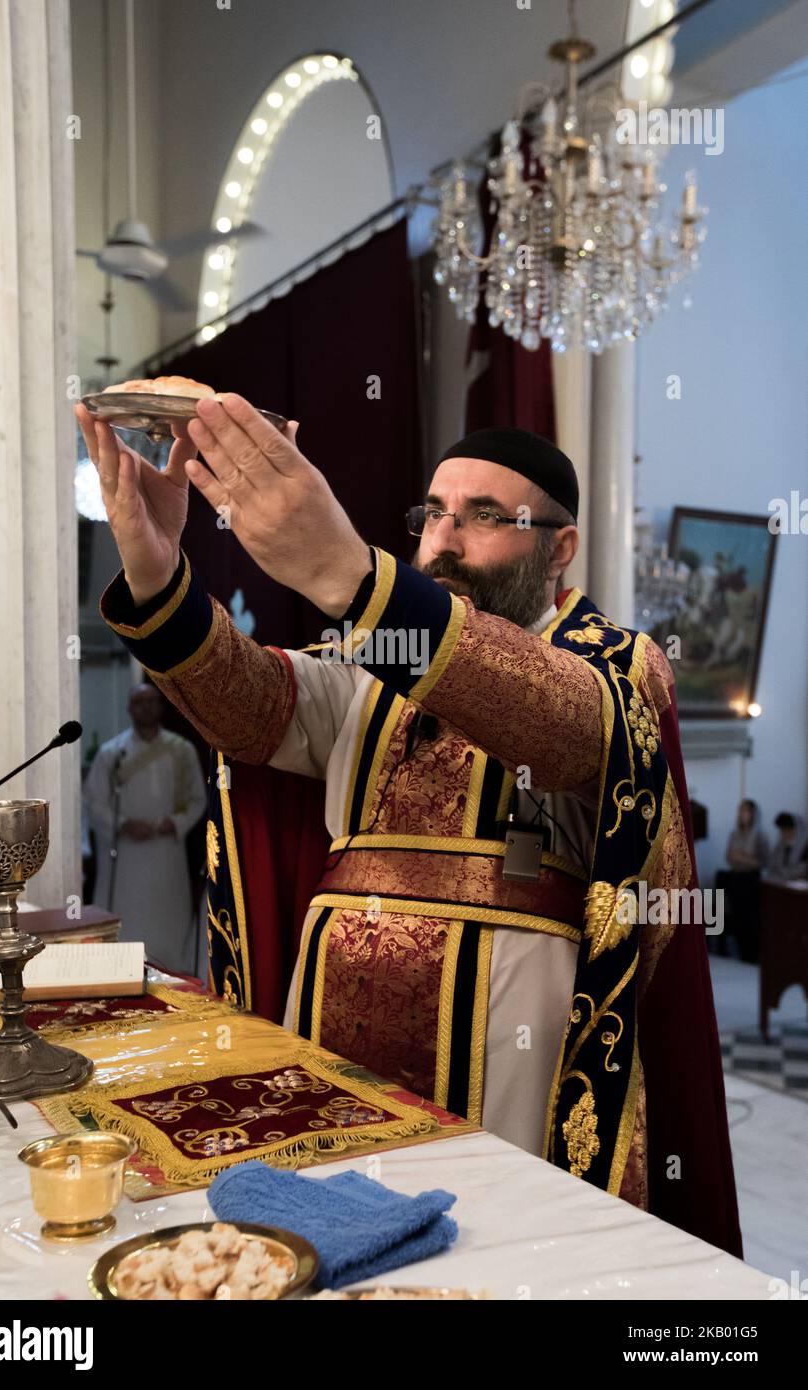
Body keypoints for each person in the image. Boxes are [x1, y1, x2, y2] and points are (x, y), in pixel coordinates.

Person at [75, 392, 742, 1258]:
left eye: (486, 517)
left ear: (560, 546)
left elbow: (567, 725)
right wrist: (159, 574)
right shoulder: (373, 657)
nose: (445, 538)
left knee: (492, 1254)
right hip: (329, 1027)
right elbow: (251, 708)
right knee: (329, 1244)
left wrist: (350, 576)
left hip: (510, 1043)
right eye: (433, 513)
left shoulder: (616, 664)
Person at [83, 683, 206, 974]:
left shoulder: (182, 751)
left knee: (167, 915)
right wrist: (124, 824)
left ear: (161, 707)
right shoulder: (111, 753)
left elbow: (198, 799)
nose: (146, 707)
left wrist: (175, 823)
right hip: (126, 855)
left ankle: (172, 971)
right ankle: (121, 970)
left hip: (166, 851)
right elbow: (95, 801)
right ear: (129, 707)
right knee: (129, 915)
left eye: (152, 701)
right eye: (139, 702)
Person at [714, 798, 768, 961]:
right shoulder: (734, 834)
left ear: (752, 814)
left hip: (751, 880)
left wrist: (741, 858)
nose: (742, 814)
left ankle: (752, 954)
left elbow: (763, 861)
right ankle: (740, 952)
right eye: (741, 810)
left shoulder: (759, 835)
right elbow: (729, 857)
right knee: (736, 916)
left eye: (746, 810)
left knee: (750, 918)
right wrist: (742, 858)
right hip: (736, 878)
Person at [766, 812, 808, 883]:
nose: (784, 833)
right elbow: (772, 864)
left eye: (787, 829)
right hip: (778, 882)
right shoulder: (780, 844)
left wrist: (783, 873)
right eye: (782, 830)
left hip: (796, 884)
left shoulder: (805, 845)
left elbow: (802, 869)